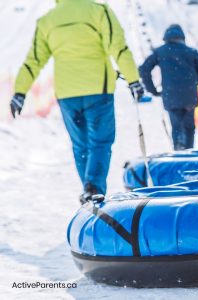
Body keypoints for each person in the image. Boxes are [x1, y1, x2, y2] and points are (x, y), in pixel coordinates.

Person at [10, 0, 144, 203]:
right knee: (100, 141)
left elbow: (34, 61)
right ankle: (94, 188)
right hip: (98, 89)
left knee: (80, 145)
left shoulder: (47, 21)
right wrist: (133, 79)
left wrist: (19, 92)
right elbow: (119, 48)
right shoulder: (99, 12)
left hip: (67, 94)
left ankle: (89, 189)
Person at [139, 24, 198, 150]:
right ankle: (189, 152)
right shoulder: (191, 52)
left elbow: (144, 69)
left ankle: (178, 149)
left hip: (171, 95)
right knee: (189, 128)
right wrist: (192, 84)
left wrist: (152, 90)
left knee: (176, 126)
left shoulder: (161, 52)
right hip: (189, 97)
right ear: (182, 37)